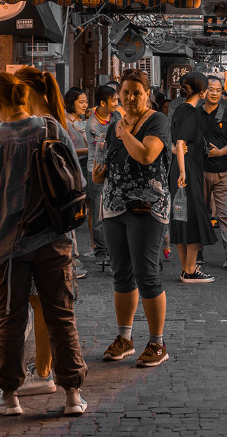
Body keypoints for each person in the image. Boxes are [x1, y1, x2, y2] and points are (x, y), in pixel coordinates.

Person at [0, 72, 86, 416]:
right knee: (61, 315)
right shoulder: (51, 128)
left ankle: (9, 396)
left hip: (9, 245)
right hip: (54, 239)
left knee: (11, 319)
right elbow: (76, 179)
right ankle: (73, 396)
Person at [93, 68, 173, 368]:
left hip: (146, 207)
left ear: (146, 94)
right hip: (114, 206)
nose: (129, 98)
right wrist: (99, 174)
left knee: (146, 274)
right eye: (124, 93)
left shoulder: (157, 121)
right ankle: (124, 338)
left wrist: (125, 133)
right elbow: (110, 160)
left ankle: (157, 343)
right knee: (121, 273)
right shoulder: (115, 124)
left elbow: (146, 155)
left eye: (136, 93)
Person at [12, 66, 78, 398]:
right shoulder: (56, 126)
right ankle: (54, 377)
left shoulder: (34, 128)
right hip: (58, 228)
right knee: (53, 306)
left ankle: (42, 373)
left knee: (42, 305)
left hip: (36, 229)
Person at [169, 72, 217, 282]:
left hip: (181, 169)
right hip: (187, 171)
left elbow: (176, 142)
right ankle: (190, 270)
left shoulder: (180, 109)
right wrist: (183, 171)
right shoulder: (191, 112)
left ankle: (186, 268)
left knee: (181, 218)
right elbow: (181, 143)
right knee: (193, 218)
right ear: (203, 91)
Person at [200, 76, 227, 267]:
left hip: (224, 171)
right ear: (203, 91)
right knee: (200, 213)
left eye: (218, 90)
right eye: (211, 89)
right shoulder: (195, 112)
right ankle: (197, 251)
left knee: (225, 214)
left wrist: (219, 152)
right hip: (200, 171)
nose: (215, 93)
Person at [84, 85, 120, 264]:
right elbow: (105, 146)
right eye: (114, 100)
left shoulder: (116, 115)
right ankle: (100, 251)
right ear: (102, 103)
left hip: (114, 169)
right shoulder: (93, 124)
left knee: (113, 210)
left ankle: (112, 248)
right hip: (97, 170)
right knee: (98, 212)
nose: (117, 103)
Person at [64, 88, 90, 254]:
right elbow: (67, 148)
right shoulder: (64, 123)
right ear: (70, 103)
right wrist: (89, 150)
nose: (85, 105)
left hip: (87, 167)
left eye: (86, 102)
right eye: (81, 102)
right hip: (74, 167)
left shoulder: (83, 122)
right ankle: (72, 251)